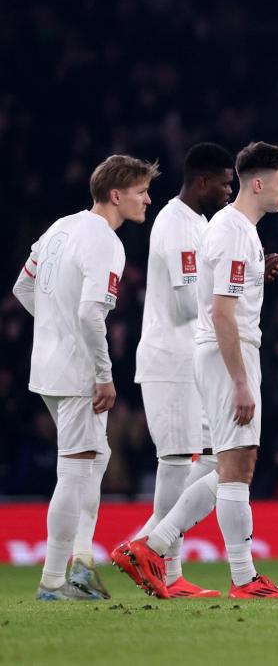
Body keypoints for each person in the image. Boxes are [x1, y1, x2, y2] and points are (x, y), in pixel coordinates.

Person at [116, 142, 278, 599]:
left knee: (227, 463)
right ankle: (168, 551)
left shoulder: (228, 228)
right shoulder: (233, 231)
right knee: (229, 465)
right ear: (257, 183)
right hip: (221, 353)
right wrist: (240, 380)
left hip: (216, 351)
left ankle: (172, 551)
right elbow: (220, 312)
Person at [12, 154, 158, 599]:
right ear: (116, 195)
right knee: (76, 471)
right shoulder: (106, 243)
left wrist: (54, 328)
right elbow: (92, 313)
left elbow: (23, 288)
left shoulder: (60, 227)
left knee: (94, 459)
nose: (147, 199)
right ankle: (55, 580)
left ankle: (81, 562)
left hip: (48, 368)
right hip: (78, 374)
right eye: (140, 192)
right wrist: (103, 374)